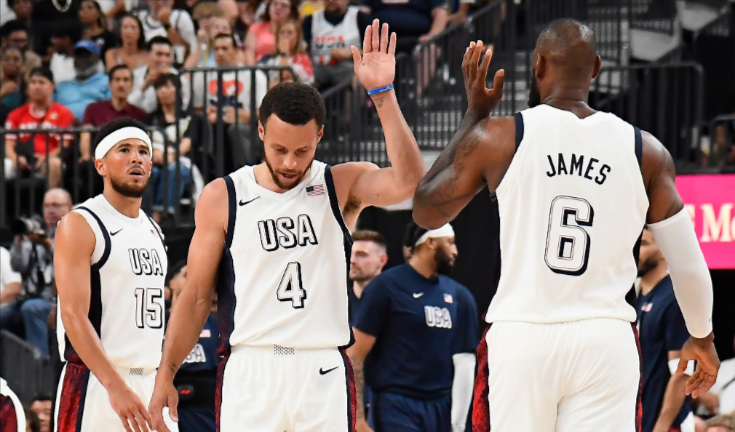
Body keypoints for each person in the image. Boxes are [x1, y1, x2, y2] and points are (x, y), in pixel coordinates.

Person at [412, 20, 720, 432]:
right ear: (595, 68)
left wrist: (473, 118)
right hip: (604, 339)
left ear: (537, 65)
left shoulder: (502, 137)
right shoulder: (645, 150)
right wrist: (702, 335)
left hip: (523, 337)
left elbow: (425, 211)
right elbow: (687, 261)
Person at [148, 20, 425, 432]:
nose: (291, 163)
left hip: (322, 366)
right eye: (279, 149)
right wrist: (165, 374)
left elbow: (409, 181)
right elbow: (195, 296)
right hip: (252, 366)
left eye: (302, 150)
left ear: (320, 136)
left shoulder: (339, 183)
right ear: (259, 132)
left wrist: (382, 94)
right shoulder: (223, 195)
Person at [53, 117, 177, 432]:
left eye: (144, 152)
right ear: (101, 165)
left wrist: (164, 378)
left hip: (150, 383)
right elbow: (73, 314)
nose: (137, 158)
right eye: (124, 150)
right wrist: (116, 386)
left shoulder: (154, 229)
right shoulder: (81, 223)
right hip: (99, 384)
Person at [348, 222, 478, 432]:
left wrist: (459, 421)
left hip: (440, 406)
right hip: (396, 404)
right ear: (430, 243)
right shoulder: (385, 287)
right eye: (450, 243)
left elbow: (466, 362)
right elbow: (355, 354)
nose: (455, 251)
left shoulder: (459, 296)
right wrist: (358, 419)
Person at [637, 226, 696, 432]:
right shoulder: (635, 297)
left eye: (643, 244)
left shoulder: (674, 296)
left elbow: (682, 372)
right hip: (639, 419)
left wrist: (661, 426)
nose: (634, 250)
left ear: (664, 250)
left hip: (667, 424)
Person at [6, 188, 72, 357]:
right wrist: (19, 241)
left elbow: (68, 263)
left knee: (32, 308)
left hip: (56, 302)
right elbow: (17, 266)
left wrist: (47, 245)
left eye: (56, 206)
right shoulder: (35, 233)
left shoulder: (75, 232)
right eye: (47, 206)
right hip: (29, 298)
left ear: (69, 207)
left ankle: (39, 368)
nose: (51, 211)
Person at [192, 33, 267, 171]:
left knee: (235, 128)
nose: (220, 53)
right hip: (214, 126)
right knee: (205, 127)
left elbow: (263, 113)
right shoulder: (202, 75)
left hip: (247, 128)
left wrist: (242, 115)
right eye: (216, 49)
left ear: (236, 50)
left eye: (225, 48)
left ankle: (246, 176)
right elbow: (197, 109)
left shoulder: (254, 75)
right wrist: (207, 114)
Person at [167, 260, 219, 432]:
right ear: (172, 284)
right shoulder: (156, 324)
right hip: (165, 410)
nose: (192, 280)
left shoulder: (217, 324)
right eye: (186, 275)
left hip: (206, 414)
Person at [3, 67, 74, 189]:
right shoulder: (15, 114)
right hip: (22, 160)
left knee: (54, 164)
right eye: (33, 82)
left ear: (52, 86)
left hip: (48, 160)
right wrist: (15, 158)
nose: (37, 86)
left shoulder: (63, 113)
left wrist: (47, 157)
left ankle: (50, 205)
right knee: (4, 165)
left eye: (41, 82)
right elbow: (9, 144)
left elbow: (65, 144)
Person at [144, 73, 198, 219]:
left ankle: (162, 215)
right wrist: (155, 155)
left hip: (181, 162)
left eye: (167, 86)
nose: (162, 91)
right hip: (155, 160)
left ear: (179, 91)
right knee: (150, 172)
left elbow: (187, 143)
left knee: (175, 169)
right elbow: (145, 143)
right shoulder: (150, 119)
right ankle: (142, 216)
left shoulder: (190, 118)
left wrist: (171, 156)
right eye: (159, 87)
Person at [80, 64, 147, 161]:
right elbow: (85, 135)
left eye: (125, 80)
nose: (121, 84)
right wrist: (87, 156)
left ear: (131, 85)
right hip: (99, 162)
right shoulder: (93, 109)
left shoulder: (140, 114)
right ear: (110, 84)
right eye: (117, 80)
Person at [303, 0, 370, 90]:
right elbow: (301, 50)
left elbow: (376, 52)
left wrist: (350, 53)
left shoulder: (360, 18)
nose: (330, 1)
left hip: (349, 72)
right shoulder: (311, 20)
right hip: (318, 73)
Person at [129, 36, 191, 114]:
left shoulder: (180, 78)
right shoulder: (135, 75)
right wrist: (145, 85)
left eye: (167, 55)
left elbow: (184, 106)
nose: (163, 60)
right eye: (159, 54)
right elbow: (128, 105)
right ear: (147, 55)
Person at [55, 40, 111, 123]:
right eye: (78, 55)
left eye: (86, 55)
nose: (82, 59)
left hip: (95, 130)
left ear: (97, 57)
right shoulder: (62, 86)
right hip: (63, 131)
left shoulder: (107, 82)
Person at [133, 0, 197, 64]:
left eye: (165, 0)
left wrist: (167, 25)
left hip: (175, 65)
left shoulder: (181, 16)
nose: (160, 3)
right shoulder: (138, 17)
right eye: (156, 1)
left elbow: (190, 49)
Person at [258, 18, 314, 86]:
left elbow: (285, 75)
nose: (285, 36)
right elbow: (256, 76)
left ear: (297, 37)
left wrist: (284, 53)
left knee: (288, 82)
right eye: (282, 32)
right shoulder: (268, 59)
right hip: (271, 93)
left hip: (297, 94)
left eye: (290, 33)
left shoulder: (303, 59)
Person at [348, 230, 387, 323]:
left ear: (382, 260)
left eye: (361, 255)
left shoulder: (396, 302)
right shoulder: (335, 304)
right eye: (349, 253)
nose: (352, 260)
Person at [243, 0, 299, 65]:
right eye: (275, 4)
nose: (278, 8)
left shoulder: (294, 30)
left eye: (283, 6)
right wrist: (253, 73)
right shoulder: (256, 27)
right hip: (258, 69)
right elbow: (249, 53)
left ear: (291, 11)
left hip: (285, 67)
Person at [0, 46, 26, 111]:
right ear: (1, 61)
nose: (11, 63)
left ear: (23, 63)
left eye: (16, 60)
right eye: (6, 59)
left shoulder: (28, 88)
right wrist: (2, 93)